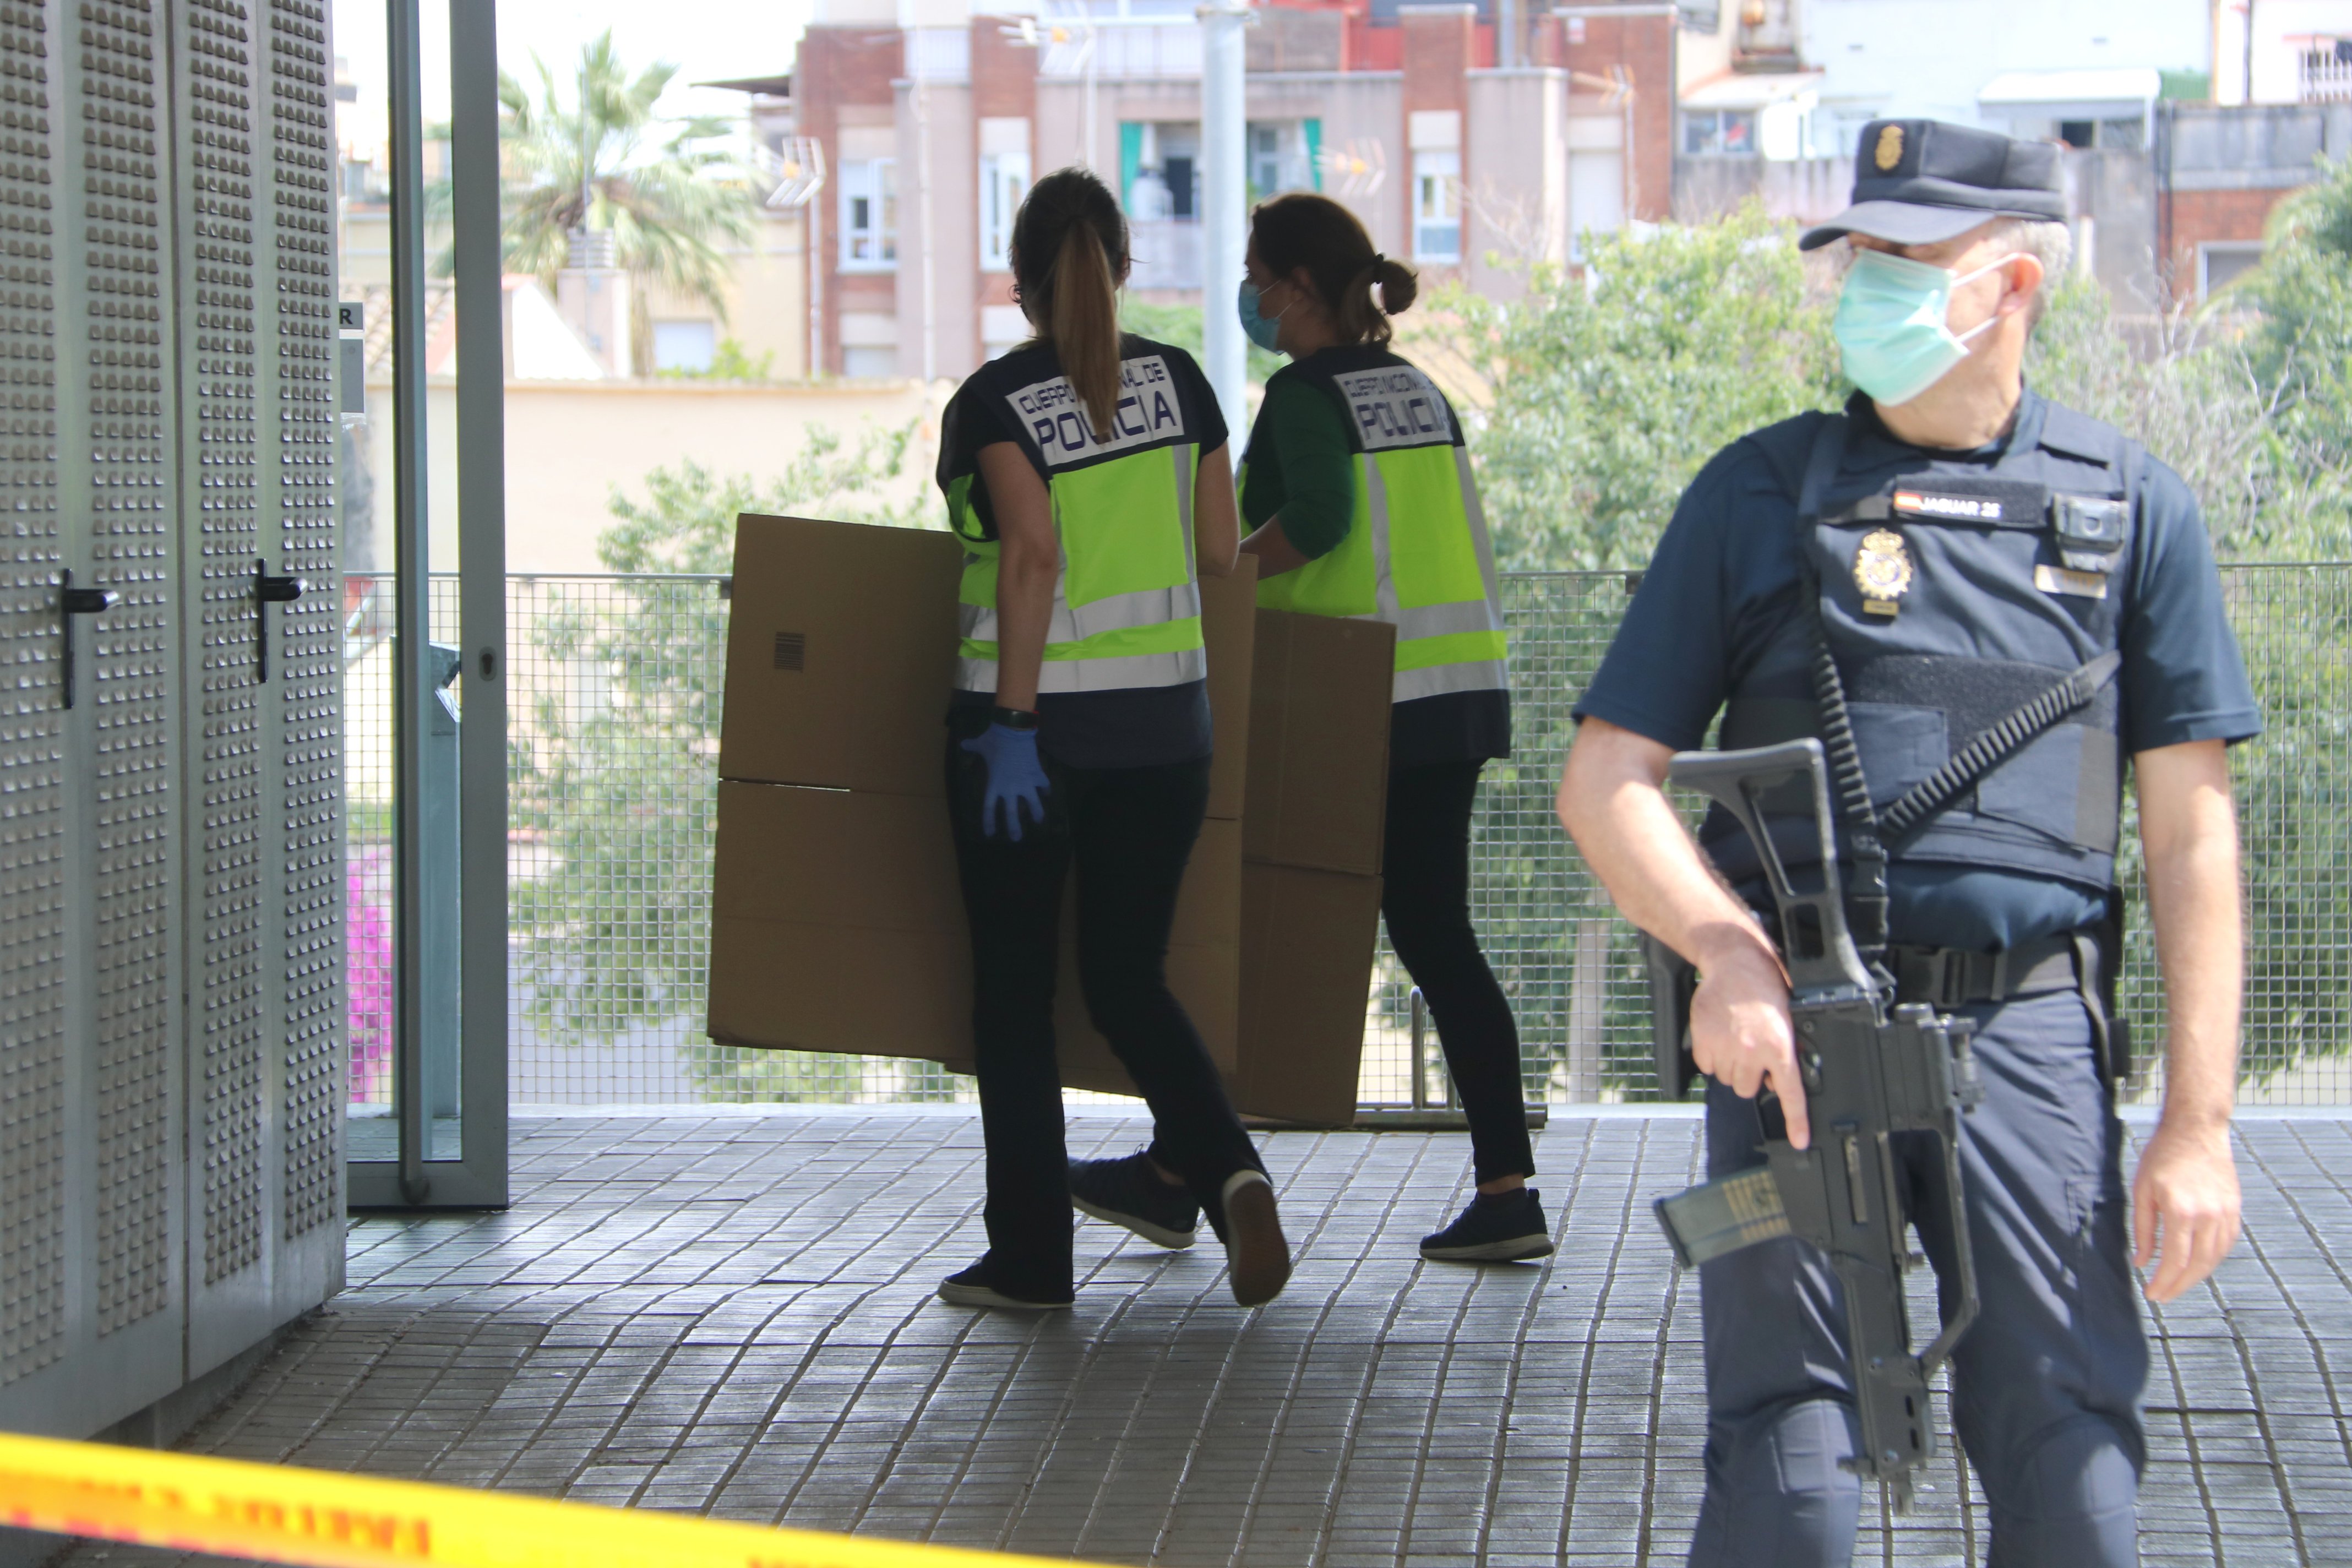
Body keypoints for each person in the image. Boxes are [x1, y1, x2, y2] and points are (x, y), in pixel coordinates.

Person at [1555, 120, 2257, 1566]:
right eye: (1857, 256)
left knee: (2074, 1493)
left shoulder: (2131, 512)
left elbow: (2194, 839)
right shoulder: (1755, 496)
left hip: (2032, 1045)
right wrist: (1723, 951)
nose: (1863, 285)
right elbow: (1605, 781)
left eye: (1905, 261)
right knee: (1791, 1496)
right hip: (1799, 1049)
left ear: (2012, 289)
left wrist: (2198, 1125)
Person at [1069, 191, 1548, 1266]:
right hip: (1455, 689)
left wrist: (1225, 579)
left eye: (1255, 272)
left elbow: (1324, 522)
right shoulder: (1417, 390)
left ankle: (1179, 1165)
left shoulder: (1304, 395)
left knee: (1248, 916)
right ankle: (1504, 1184)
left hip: (1353, 699)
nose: (1248, 292)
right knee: (1437, 935)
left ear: (1292, 286)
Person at [933, 167, 1290, 1313]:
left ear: (1020, 277)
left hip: (1028, 746)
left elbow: (1030, 555)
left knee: (1014, 996)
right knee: (1129, 974)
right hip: (1169, 733)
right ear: (1123, 266)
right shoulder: (1182, 383)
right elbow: (1220, 551)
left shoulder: (992, 402)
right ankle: (1227, 1165)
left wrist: (1016, 724)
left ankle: (1033, 1260)